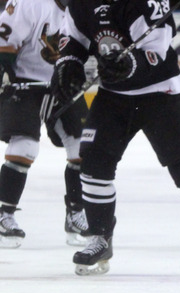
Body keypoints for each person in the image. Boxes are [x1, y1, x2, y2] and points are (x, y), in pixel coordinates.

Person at [51, 0, 180, 275]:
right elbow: (74, 40)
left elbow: (157, 50)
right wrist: (67, 67)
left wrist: (132, 63)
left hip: (161, 94)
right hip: (113, 96)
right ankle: (100, 237)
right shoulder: (80, 4)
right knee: (94, 164)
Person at [0, 0, 89, 248]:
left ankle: (75, 214)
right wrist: (3, 68)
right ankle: (4, 214)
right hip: (24, 83)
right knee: (25, 146)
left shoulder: (83, 8)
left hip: (63, 83)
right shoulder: (30, 3)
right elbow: (4, 40)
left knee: (83, 147)